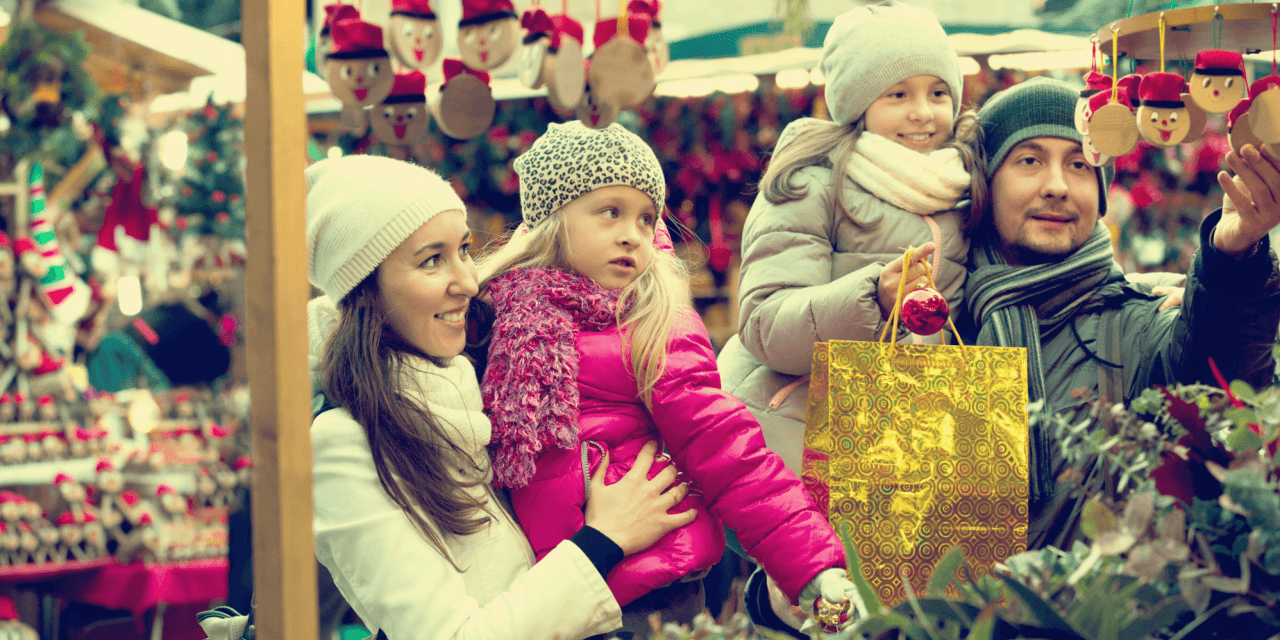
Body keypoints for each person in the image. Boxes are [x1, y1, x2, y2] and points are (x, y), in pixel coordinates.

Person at [475, 121, 858, 636]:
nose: (633, 233)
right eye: (610, 211)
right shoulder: (498, 314)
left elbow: (728, 451)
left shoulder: (650, 325)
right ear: (552, 219)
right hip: (553, 590)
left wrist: (813, 568)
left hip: (650, 590)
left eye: (645, 217)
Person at [305, 154, 700, 640]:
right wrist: (604, 540)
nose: (469, 282)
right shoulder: (343, 445)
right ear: (366, 287)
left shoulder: (487, 386)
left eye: (464, 250)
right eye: (432, 260)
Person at [962, 76, 1280, 549]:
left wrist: (1229, 260)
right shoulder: (934, 321)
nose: (1056, 186)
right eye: (1029, 160)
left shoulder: (1133, 322)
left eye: (1079, 164)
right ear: (985, 185)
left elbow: (1212, 378)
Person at [716, 0, 985, 477]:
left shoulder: (965, 189)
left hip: (900, 451)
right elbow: (763, 323)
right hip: (796, 440)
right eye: (897, 95)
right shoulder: (813, 183)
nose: (923, 113)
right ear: (858, 104)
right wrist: (872, 299)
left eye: (939, 92)